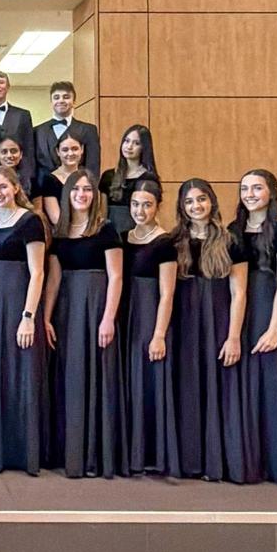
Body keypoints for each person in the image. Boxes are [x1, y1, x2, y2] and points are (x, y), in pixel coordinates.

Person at [44, 168, 127, 478]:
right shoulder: (60, 232)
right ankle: (71, 453)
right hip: (67, 310)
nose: (82, 194)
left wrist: (108, 318)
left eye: (87, 189)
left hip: (96, 308)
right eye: (76, 189)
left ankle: (95, 455)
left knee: (96, 377)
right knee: (70, 377)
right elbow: (53, 279)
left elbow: (116, 277)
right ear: (67, 195)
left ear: (95, 195)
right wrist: (47, 317)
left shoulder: (106, 230)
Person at [229, 170, 277, 487]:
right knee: (243, 387)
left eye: (257, 188)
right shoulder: (234, 230)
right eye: (244, 188)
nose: (249, 193)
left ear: (272, 192)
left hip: (267, 310)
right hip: (239, 313)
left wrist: (275, 328)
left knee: (272, 387)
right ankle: (249, 462)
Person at [171, 178, 248, 483]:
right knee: (188, 388)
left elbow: (239, 293)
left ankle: (218, 461)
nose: (196, 206)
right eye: (189, 202)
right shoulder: (175, 241)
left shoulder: (230, 240)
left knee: (218, 389)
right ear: (182, 207)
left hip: (217, 322)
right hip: (185, 324)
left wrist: (233, 337)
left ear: (212, 201)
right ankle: (190, 461)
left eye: (201, 199)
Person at [0, 167, 48, 474]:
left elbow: (38, 272)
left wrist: (28, 316)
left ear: (15, 187)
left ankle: (26, 453)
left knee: (22, 375)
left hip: (20, 301)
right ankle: (0, 451)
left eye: (2, 187)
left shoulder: (31, 221)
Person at [122, 181, 180, 478]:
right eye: (135, 204)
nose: (140, 210)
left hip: (150, 318)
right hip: (126, 317)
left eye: (146, 204)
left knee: (149, 382)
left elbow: (167, 294)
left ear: (157, 206)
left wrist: (159, 334)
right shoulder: (124, 237)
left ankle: (153, 454)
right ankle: (131, 453)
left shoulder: (165, 243)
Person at [33, 80, 100, 183]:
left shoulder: (89, 130)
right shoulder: (37, 131)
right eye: (56, 97)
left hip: (77, 189)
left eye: (66, 97)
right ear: (51, 102)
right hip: (44, 190)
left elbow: (93, 166)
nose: (61, 101)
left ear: (74, 102)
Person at [100, 125, 160, 234]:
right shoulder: (108, 176)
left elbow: (152, 214)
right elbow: (103, 214)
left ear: (144, 148)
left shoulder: (148, 178)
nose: (129, 146)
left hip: (137, 234)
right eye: (127, 141)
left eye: (136, 143)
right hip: (111, 235)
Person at [39, 131, 84, 228]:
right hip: (63, 234)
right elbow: (56, 219)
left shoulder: (87, 177)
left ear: (82, 149)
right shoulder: (50, 179)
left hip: (88, 231)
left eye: (75, 149)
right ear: (58, 152)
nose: (70, 153)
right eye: (65, 150)